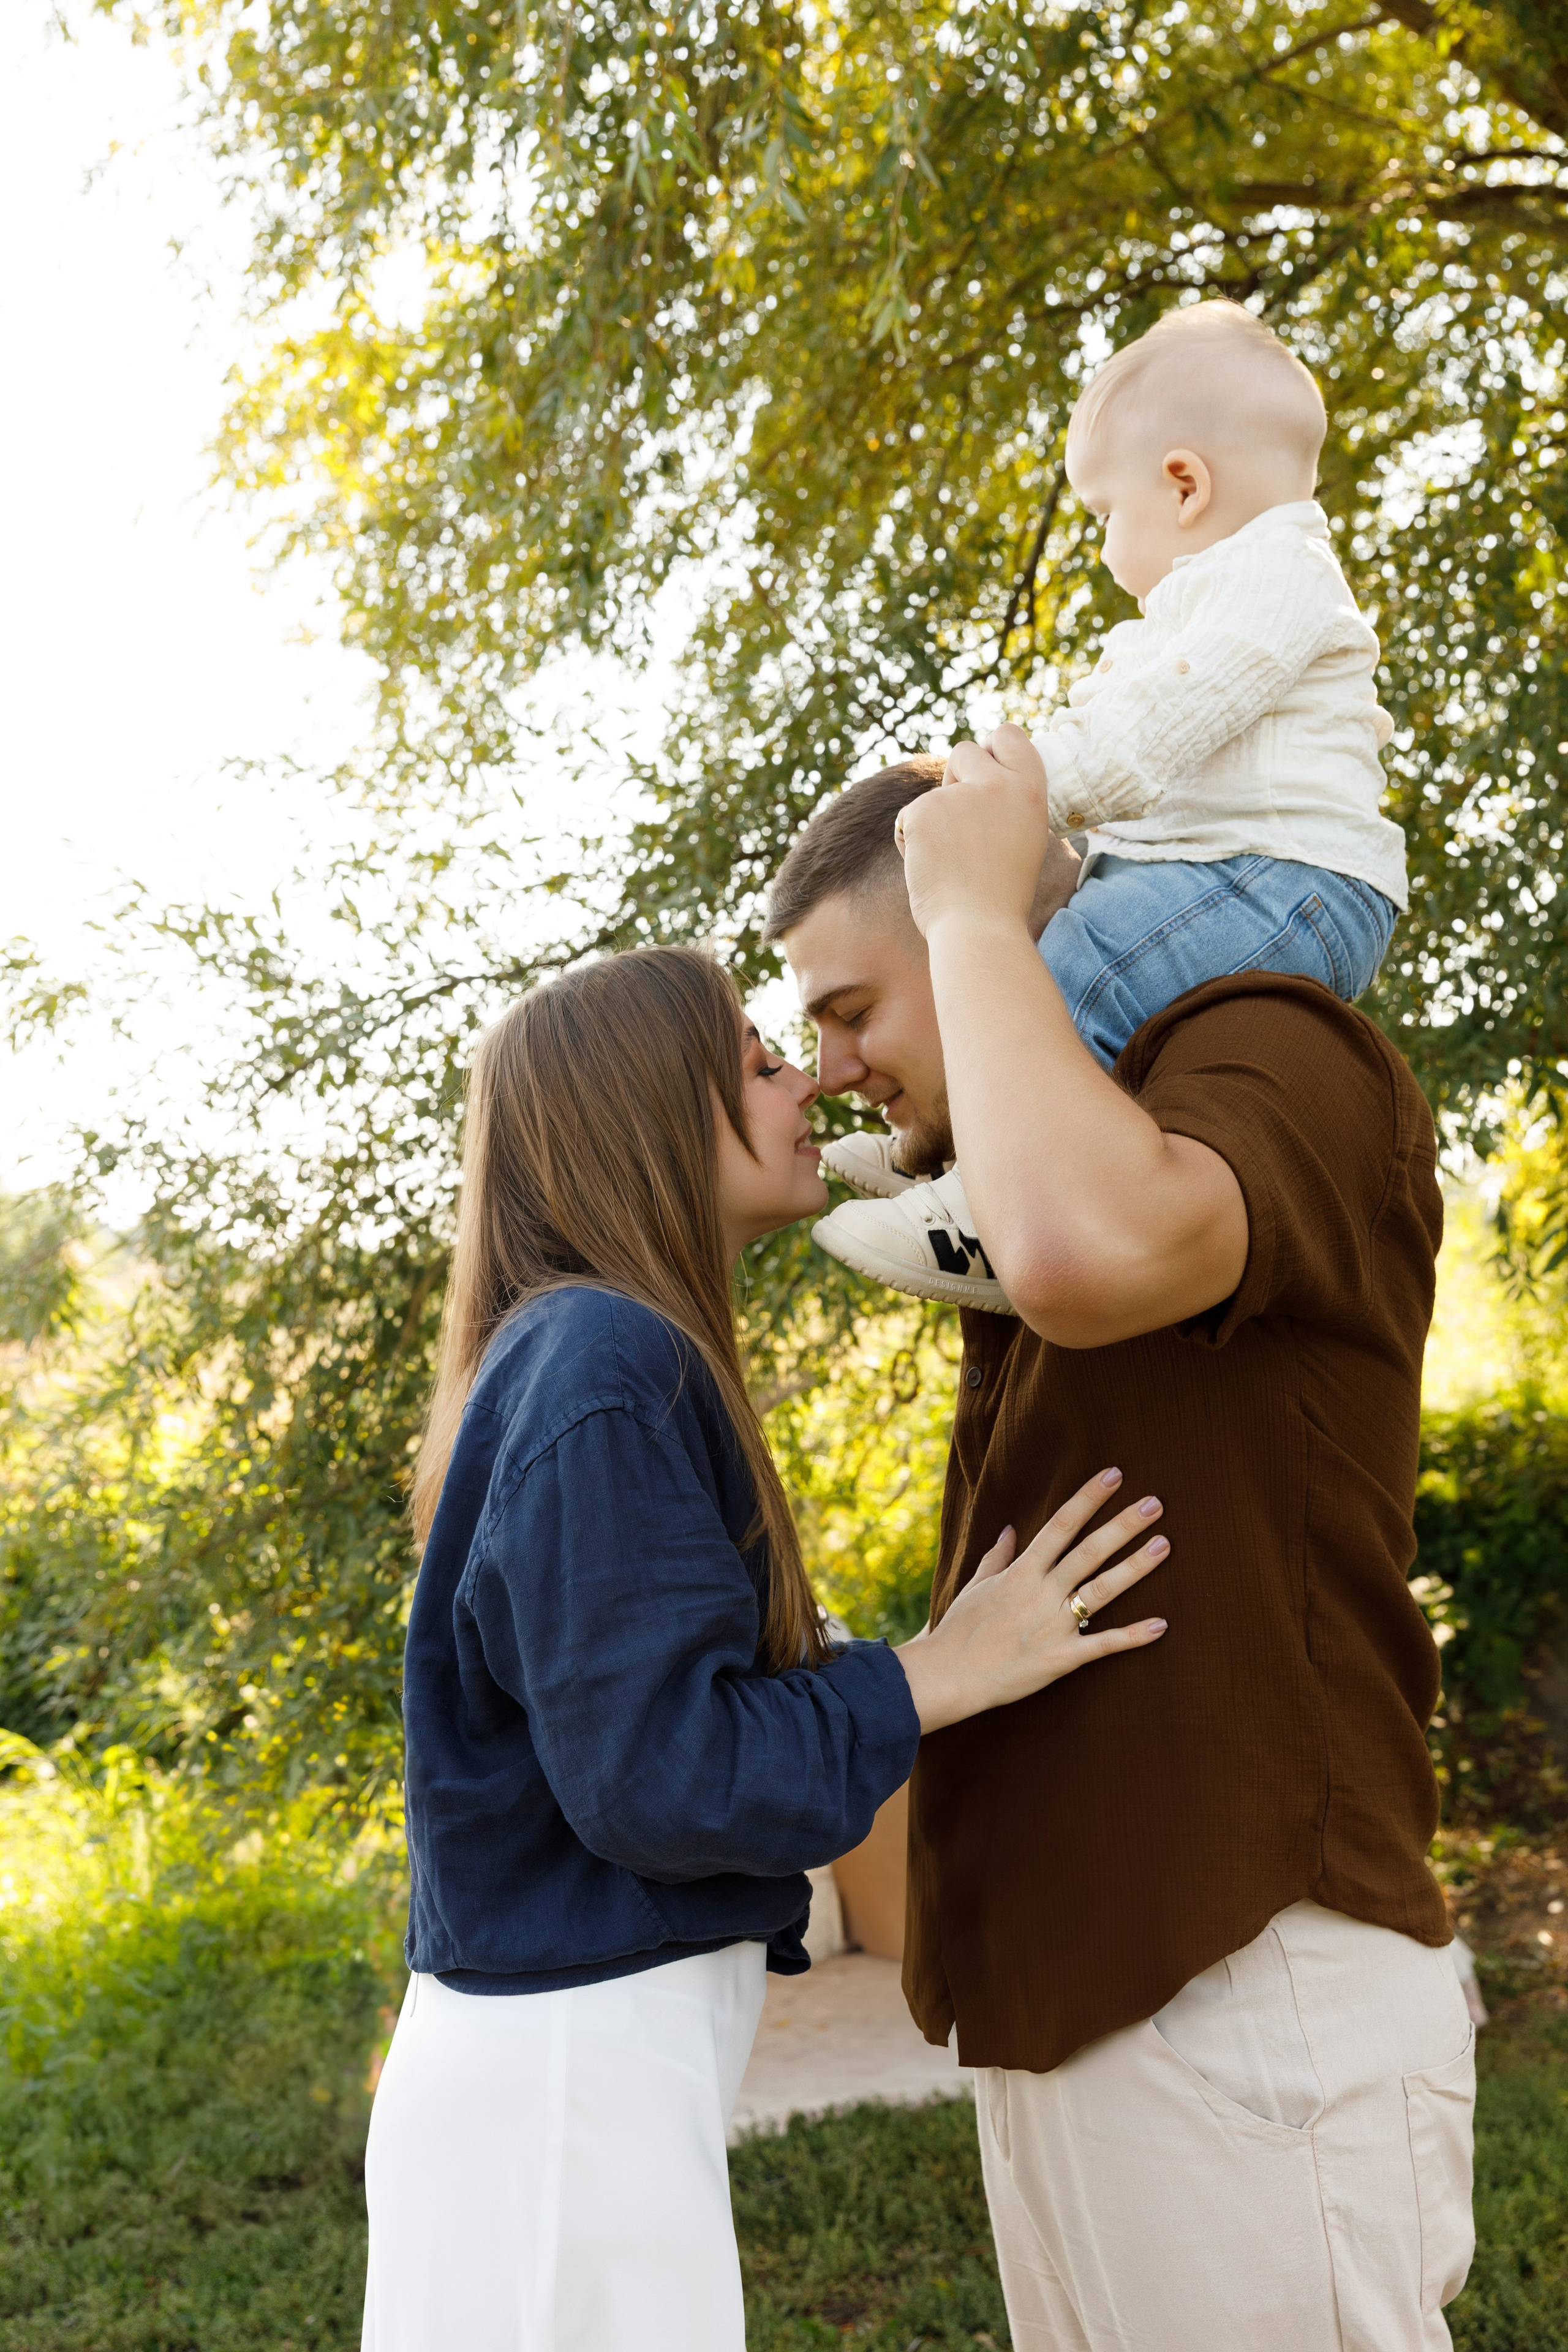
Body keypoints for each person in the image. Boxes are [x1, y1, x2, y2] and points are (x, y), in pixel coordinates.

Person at [360, 944, 1176, 2352]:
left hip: (573, 2081)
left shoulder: (590, 1353)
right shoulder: (603, 1364)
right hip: (564, 2097)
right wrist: (943, 1668)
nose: (809, 1078)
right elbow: (663, 1777)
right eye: (757, 1061)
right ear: (651, 1112)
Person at [767, 752, 1474, 2351]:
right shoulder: (1038, 1153)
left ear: (975, 935)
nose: (829, 1067)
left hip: (1243, 1982)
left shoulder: (1263, 1044)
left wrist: (973, 905)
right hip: (1099, 2009)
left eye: (853, 1007)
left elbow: (1092, 1251)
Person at [812, 298, 1406, 1314]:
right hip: (1237, 872)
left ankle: (988, 1207)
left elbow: (1158, 725)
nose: (1099, 548)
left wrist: (1013, 788)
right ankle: (956, 1167)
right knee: (1073, 947)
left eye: (1101, 516)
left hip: (1284, 880)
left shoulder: (1277, 581)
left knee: (1075, 974)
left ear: (1183, 485)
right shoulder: (1217, 591)